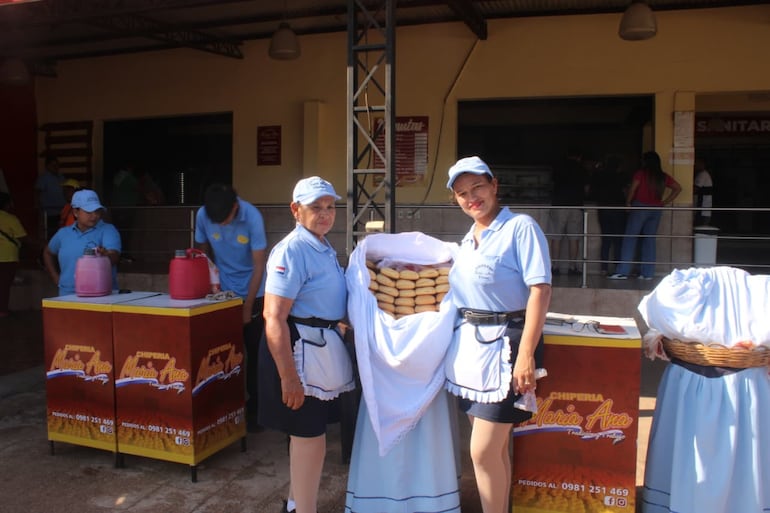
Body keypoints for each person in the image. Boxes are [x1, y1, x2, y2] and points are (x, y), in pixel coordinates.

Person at [444, 156, 552, 513]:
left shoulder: (520, 227)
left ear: (494, 185)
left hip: (508, 346)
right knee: (495, 451)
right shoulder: (467, 239)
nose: (471, 197)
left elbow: (540, 290)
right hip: (472, 350)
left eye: (477, 187)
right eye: (462, 193)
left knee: (482, 451)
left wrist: (526, 355)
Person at [258, 176, 354, 513]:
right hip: (299, 351)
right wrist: (288, 376)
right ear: (296, 210)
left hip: (320, 347)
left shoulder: (322, 245)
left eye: (330, 207)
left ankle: (298, 504)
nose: (326, 214)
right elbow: (273, 316)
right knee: (308, 438)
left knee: (312, 438)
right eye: (317, 207)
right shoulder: (292, 249)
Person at [194, 183, 267, 433]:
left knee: (256, 353)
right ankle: (228, 407)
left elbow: (259, 265)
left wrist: (248, 307)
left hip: (255, 293)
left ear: (235, 207)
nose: (221, 226)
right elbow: (201, 253)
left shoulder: (252, 217)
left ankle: (257, 411)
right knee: (225, 354)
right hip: (222, 293)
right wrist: (207, 287)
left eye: (224, 220)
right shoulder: (204, 215)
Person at [609, 151, 682, 281]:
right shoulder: (662, 176)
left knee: (630, 238)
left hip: (640, 207)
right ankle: (647, 274)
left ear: (646, 161)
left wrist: (628, 203)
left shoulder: (641, 174)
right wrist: (664, 202)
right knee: (649, 240)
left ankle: (623, 271)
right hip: (656, 209)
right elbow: (678, 188)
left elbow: (632, 189)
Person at [43, 189, 121, 296]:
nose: (94, 216)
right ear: (75, 212)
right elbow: (47, 252)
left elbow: (114, 255)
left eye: (97, 211)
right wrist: (55, 277)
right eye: (89, 212)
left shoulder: (108, 230)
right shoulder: (63, 233)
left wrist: (105, 257)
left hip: (100, 295)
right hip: (67, 294)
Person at [548, 148, 587, 275]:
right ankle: (572, 267)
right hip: (576, 205)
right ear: (580, 156)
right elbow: (587, 188)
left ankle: (554, 267)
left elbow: (552, 184)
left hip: (559, 205)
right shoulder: (582, 168)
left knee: (556, 237)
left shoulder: (558, 167)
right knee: (574, 238)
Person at [590, 154, 628, 275]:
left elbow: (591, 191)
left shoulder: (599, 175)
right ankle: (617, 267)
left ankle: (604, 268)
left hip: (604, 209)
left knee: (606, 239)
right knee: (618, 240)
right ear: (618, 166)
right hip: (618, 209)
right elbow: (627, 191)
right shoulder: (621, 176)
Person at [0, 192, 26, 319]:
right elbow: (22, 237)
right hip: (7, 257)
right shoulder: (11, 219)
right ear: (7, 204)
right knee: (4, 285)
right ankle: (2, 311)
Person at [35, 156, 65, 241]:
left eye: (57, 165)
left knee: (62, 233)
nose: (56, 167)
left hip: (62, 211)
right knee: (51, 234)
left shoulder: (61, 177)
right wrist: (38, 206)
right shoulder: (43, 178)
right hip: (50, 212)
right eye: (53, 165)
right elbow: (37, 192)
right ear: (47, 166)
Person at [693, 157, 713, 226]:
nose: (695, 165)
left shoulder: (703, 174)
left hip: (702, 206)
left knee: (701, 226)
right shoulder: (700, 174)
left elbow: (696, 188)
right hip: (701, 206)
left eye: (697, 163)